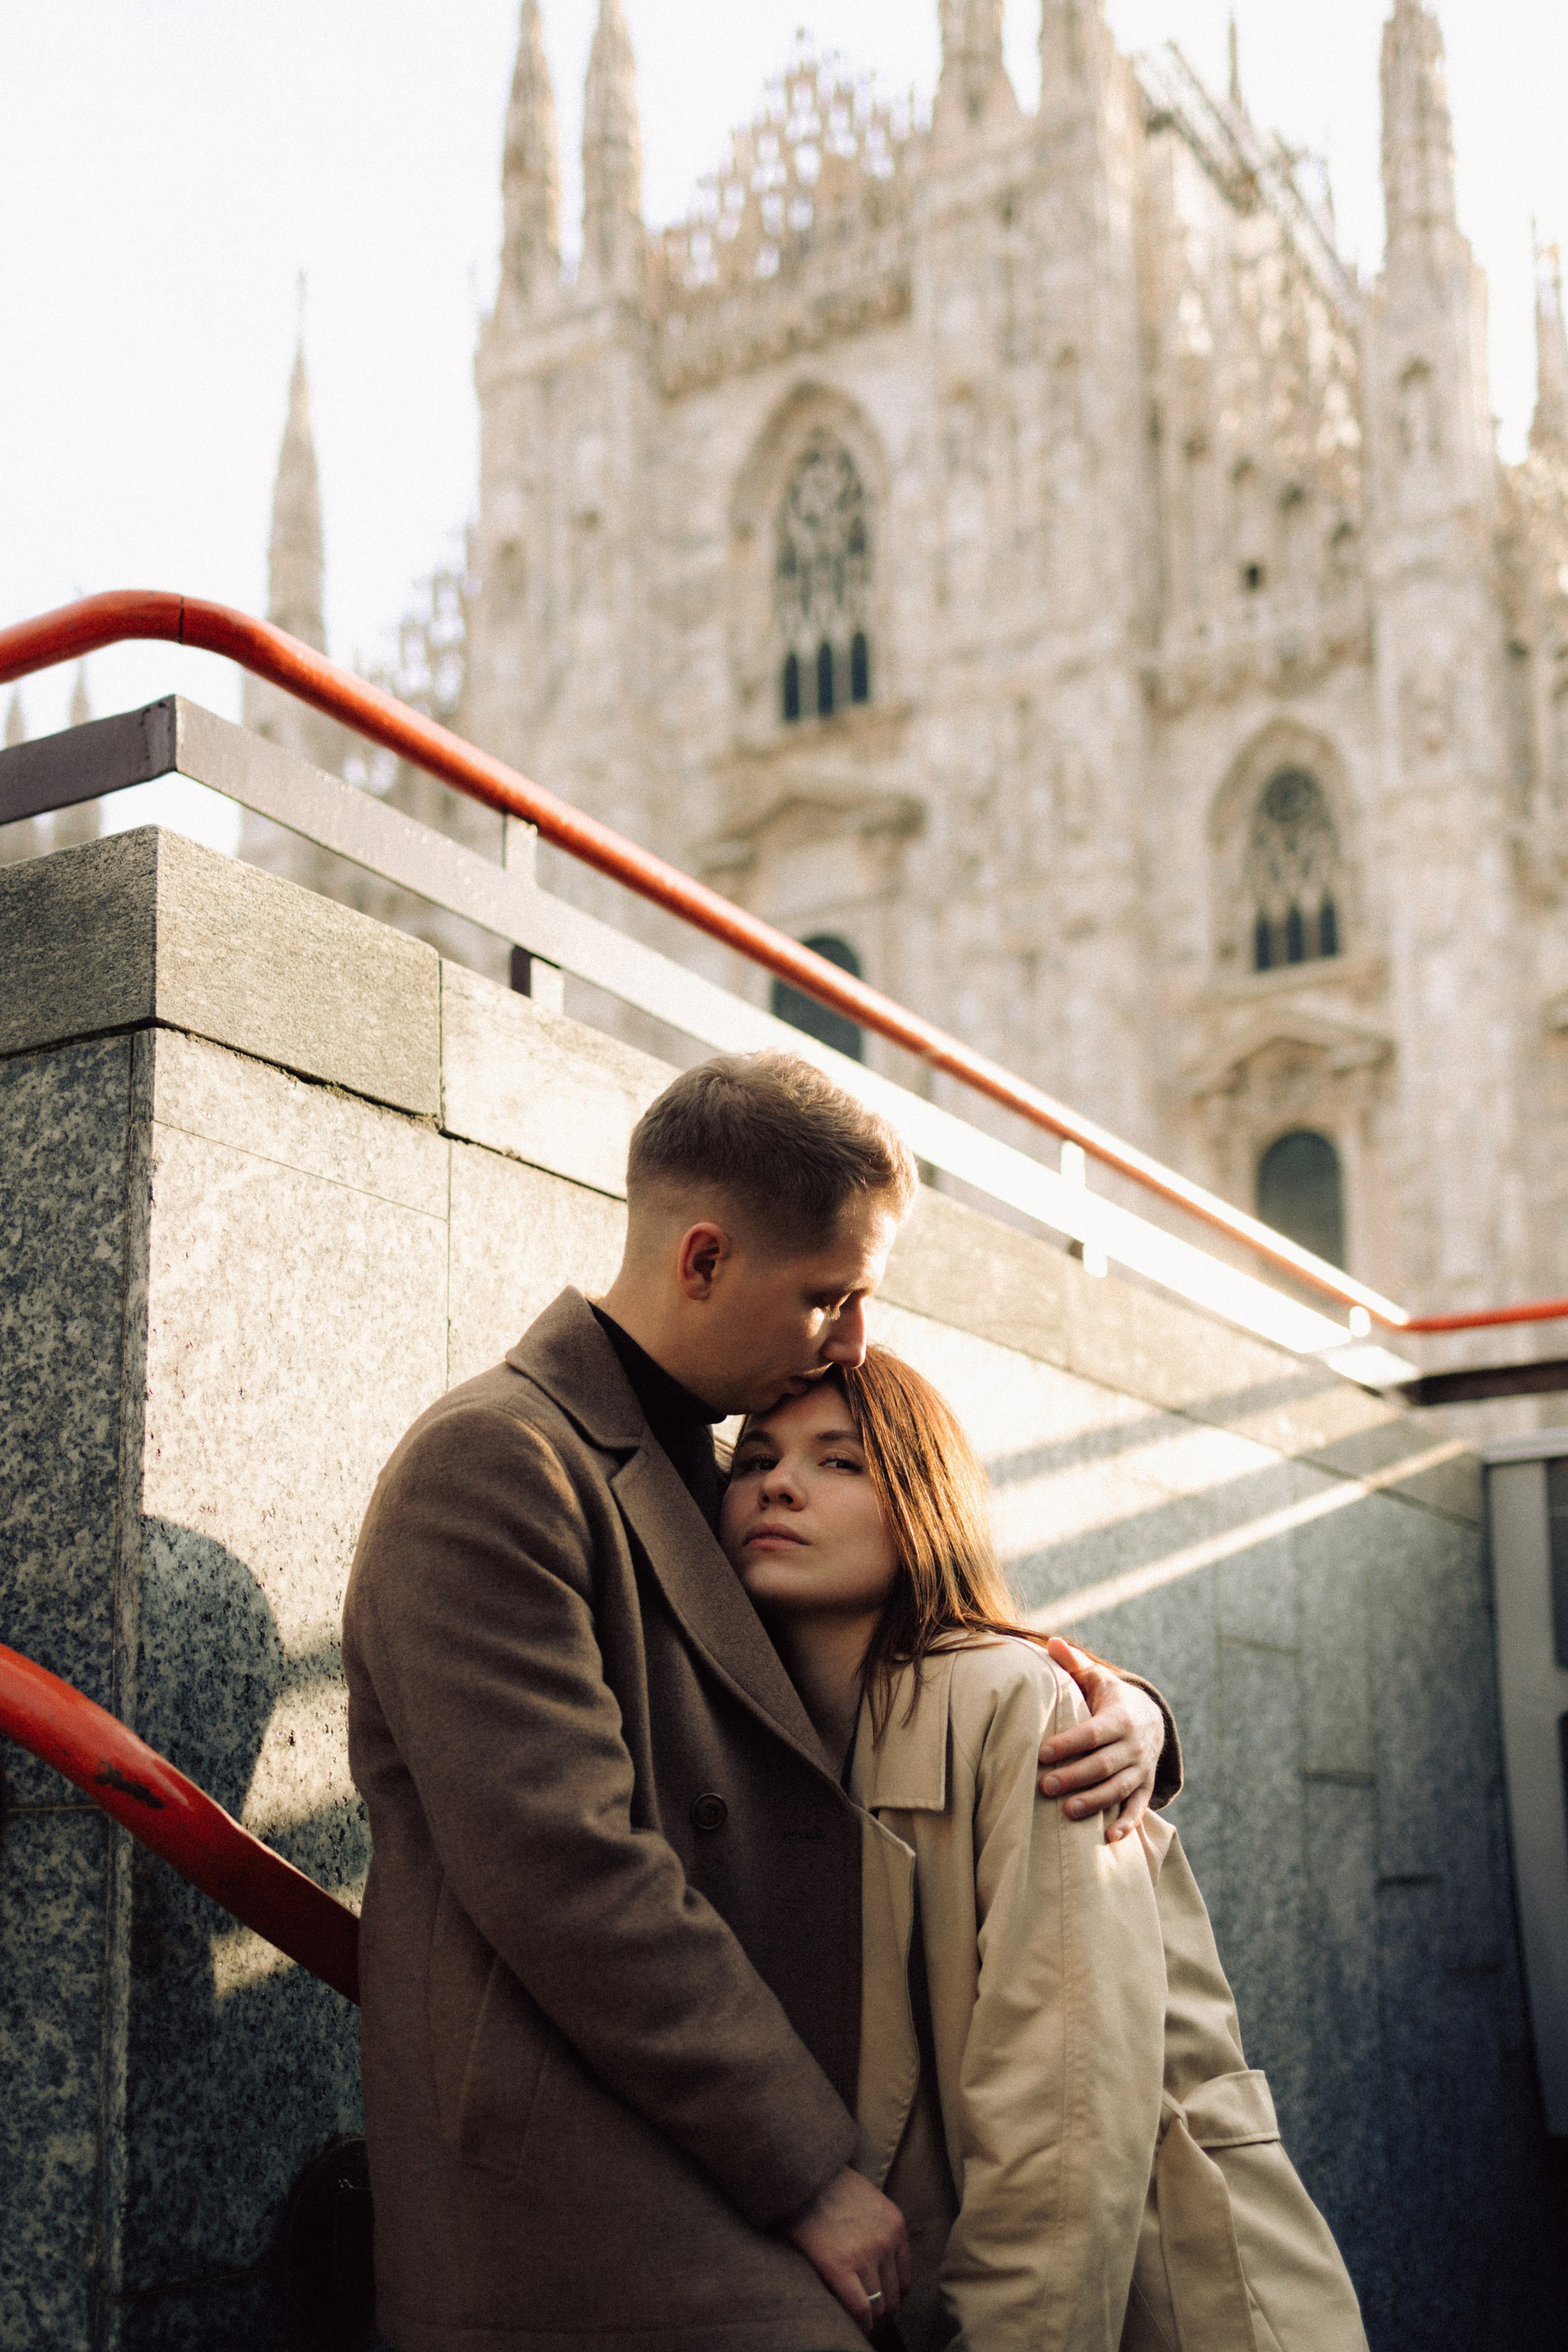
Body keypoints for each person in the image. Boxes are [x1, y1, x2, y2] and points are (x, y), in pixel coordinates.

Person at [342, 1052, 1181, 2352]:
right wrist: (805, 2171)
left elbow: (898, 1648)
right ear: (700, 1262)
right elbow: (568, 1869)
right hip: (586, 2183)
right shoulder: (497, 1463)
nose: (851, 1341)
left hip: (732, 2151)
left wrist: (1120, 1709)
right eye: (828, 1298)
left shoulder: (707, 1464)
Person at [722, 1346, 1369, 2352]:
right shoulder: (749, 1737)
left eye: (841, 1462)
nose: (780, 1484)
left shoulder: (1006, 1699)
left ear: (921, 1505)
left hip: (1163, 2303)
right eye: (754, 1458)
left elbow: (1064, 2117)